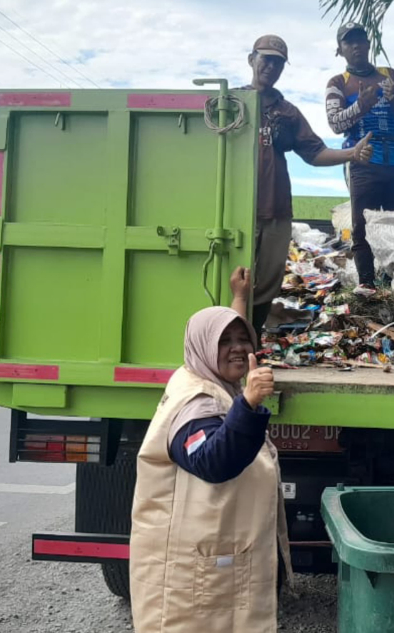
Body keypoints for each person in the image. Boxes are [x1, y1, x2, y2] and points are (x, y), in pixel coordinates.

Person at [129, 266, 285, 632]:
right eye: (224, 341)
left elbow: (228, 340)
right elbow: (212, 462)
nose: (237, 348)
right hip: (192, 573)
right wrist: (247, 403)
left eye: (243, 339)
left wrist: (240, 298)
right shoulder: (194, 402)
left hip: (213, 558)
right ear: (203, 347)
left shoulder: (204, 375)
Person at [243, 33, 373, 333]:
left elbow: (315, 153)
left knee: (267, 284)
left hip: (275, 210)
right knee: (234, 281)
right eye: (266, 59)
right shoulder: (231, 103)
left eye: (278, 63)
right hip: (234, 212)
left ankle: (252, 343)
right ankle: (225, 349)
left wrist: (352, 153)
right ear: (252, 60)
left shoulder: (287, 112)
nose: (271, 67)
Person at [323, 22, 394, 295]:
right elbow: (335, 124)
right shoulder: (337, 83)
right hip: (362, 163)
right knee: (362, 227)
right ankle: (368, 287)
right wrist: (360, 107)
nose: (356, 46)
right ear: (340, 50)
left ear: (368, 44)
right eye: (348, 42)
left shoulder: (390, 75)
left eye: (360, 40)